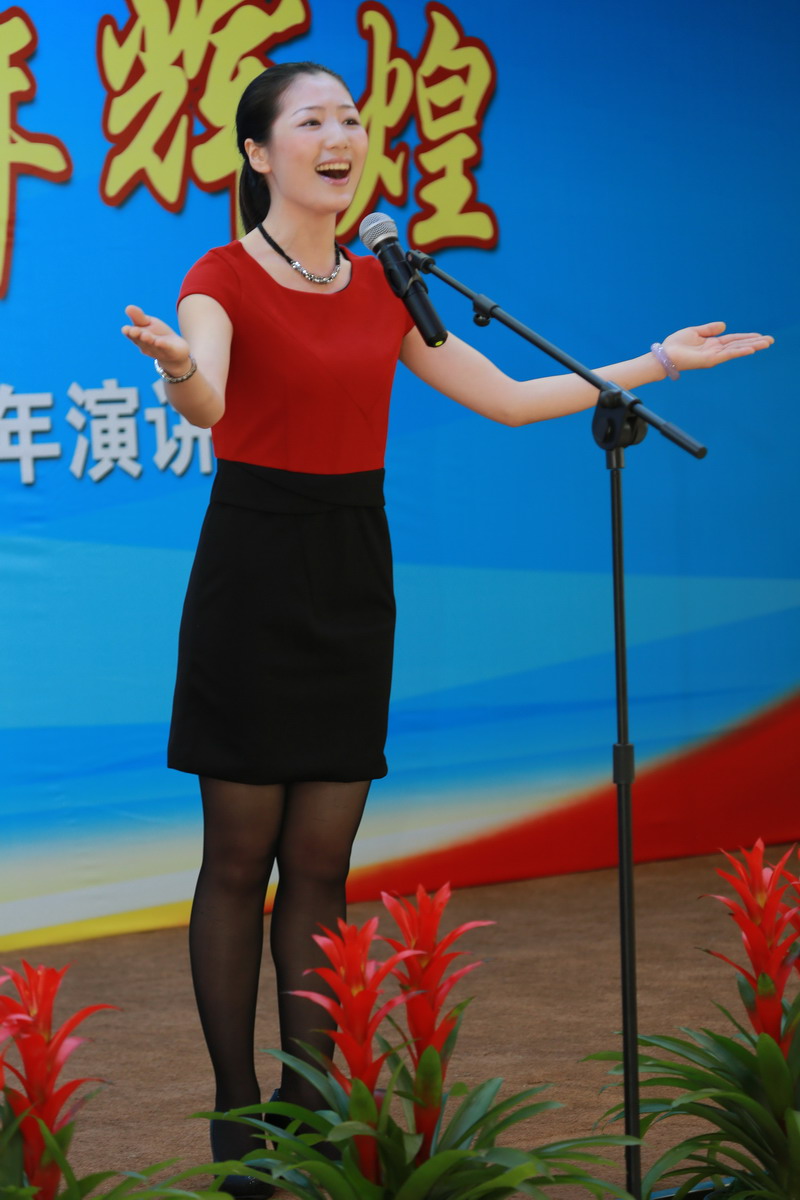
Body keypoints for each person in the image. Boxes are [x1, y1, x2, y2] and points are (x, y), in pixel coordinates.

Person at [122, 60, 773, 1195]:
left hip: (351, 572)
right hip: (252, 574)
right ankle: (237, 1116)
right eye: (313, 120)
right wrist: (180, 372)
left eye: (351, 118)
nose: (341, 136)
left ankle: (308, 1111)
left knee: (320, 864)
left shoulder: (388, 280)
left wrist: (657, 364)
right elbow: (209, 396)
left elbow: (509, 398)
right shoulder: (217, 277)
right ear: (258, 153)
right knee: (238, 860)